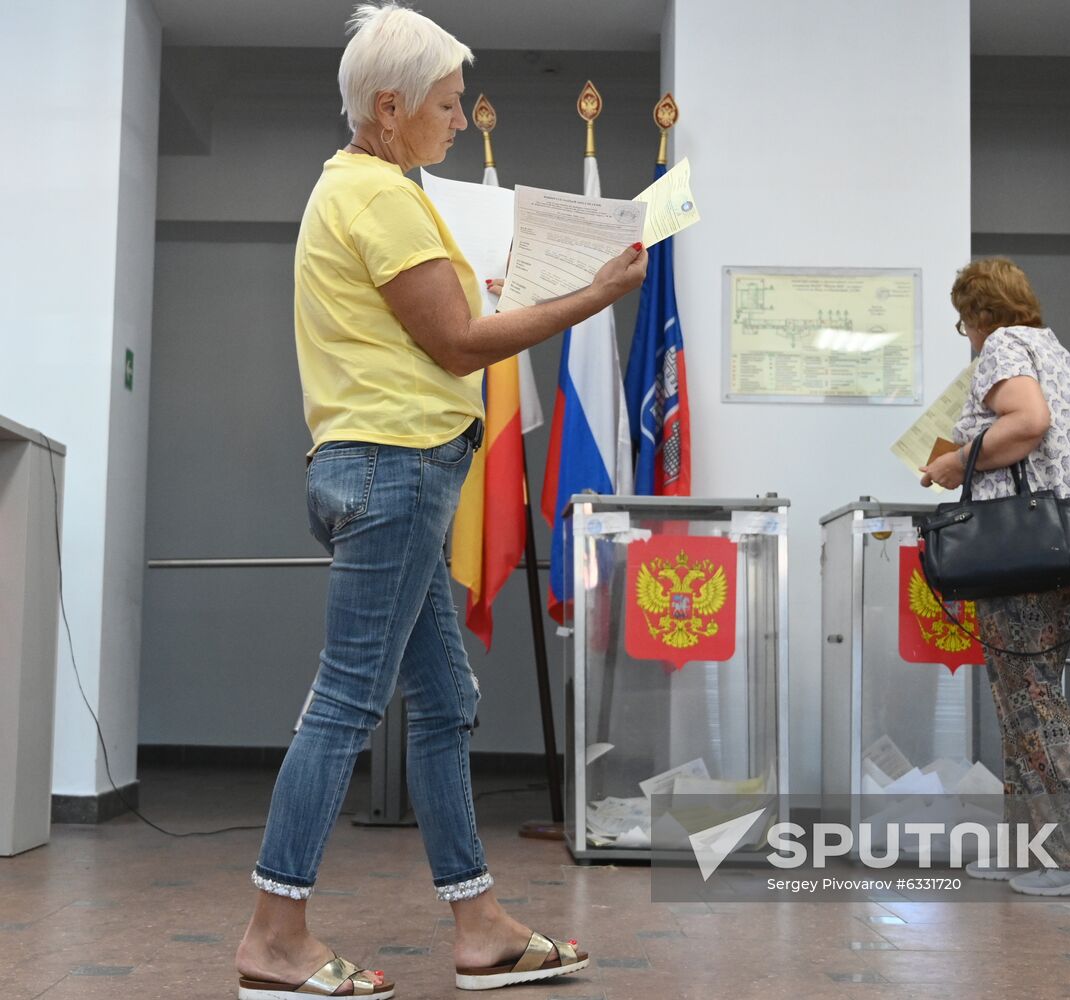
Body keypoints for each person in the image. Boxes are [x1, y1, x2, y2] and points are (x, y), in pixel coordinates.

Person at [234, 4, 647, 996]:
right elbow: (457, 343)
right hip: (393, 467)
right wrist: (592, 294)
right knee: (345, 700)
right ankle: (273, 932)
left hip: (389, 467)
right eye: (447, 104)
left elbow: (441, 324)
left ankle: (479, 922)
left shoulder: (372, 190)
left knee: (444, 697)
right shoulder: (375, 197)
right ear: (388, 108)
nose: (459, 120)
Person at [920, 257, 1070, 897]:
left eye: (964, 321)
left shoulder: (1004, 346)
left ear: (977, 313)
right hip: (1065, 552)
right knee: (1020, 702)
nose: (968, 332)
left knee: (1034, 703)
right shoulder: (1052, 348)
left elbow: (1030, 421)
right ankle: (1026, 849)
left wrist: (960, 460)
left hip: (1024, 557)